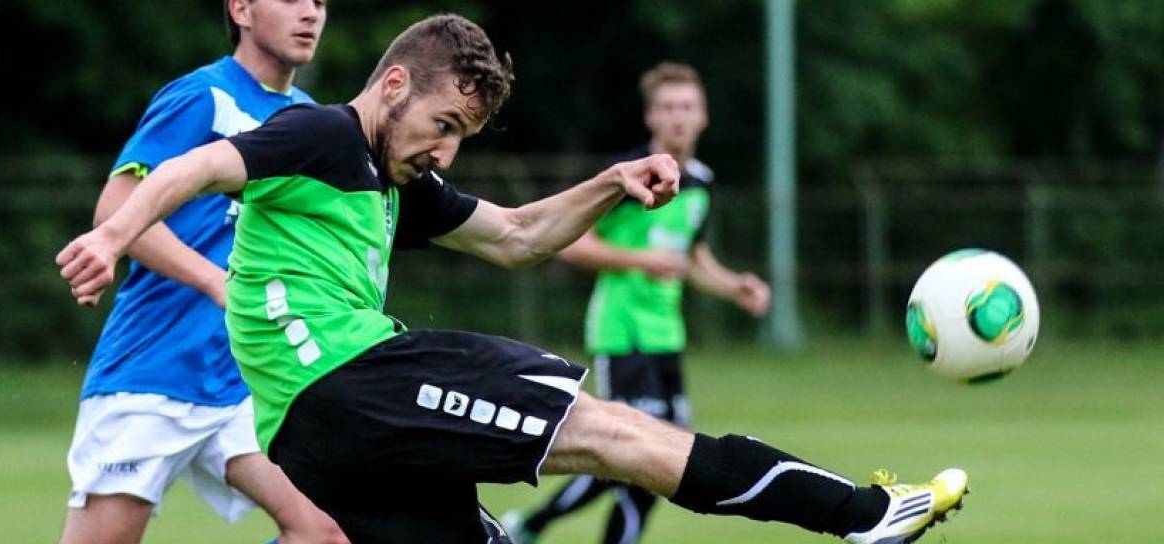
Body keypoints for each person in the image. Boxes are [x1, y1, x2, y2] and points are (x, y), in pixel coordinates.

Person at [56, 14, 968, 544]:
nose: (446, 152)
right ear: (394, 85)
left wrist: (612, 183)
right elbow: (196, 169)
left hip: (319, 439)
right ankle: (860, 513)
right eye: (443, 125)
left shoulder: (392, 181)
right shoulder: (323, 133)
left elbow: (519, 236)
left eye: (462, 137)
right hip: (349, 381)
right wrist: (114, 236)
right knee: (613, 432)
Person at [59, 1, 347, 543]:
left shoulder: (311, 120)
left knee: (327, 531)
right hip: (154, 370)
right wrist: (215, 281)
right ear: (241, 9)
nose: (310, 13)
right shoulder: (203, 96)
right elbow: (116, 209)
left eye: (319, 2)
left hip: (246, 380)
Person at [502, 62, 772, 544]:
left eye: (687, 107)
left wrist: (735, 286)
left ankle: (531, 526)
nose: (678, 117)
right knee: (640, 467)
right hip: (622, 334)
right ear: (650, 116)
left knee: (657, 461)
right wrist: (639, 260)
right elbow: (571, 243)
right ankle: (532, 526)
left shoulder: (701, 183)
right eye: (667, 107)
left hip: (667, 338)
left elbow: (690, 259)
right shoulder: (629, 178)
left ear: (703, 116)